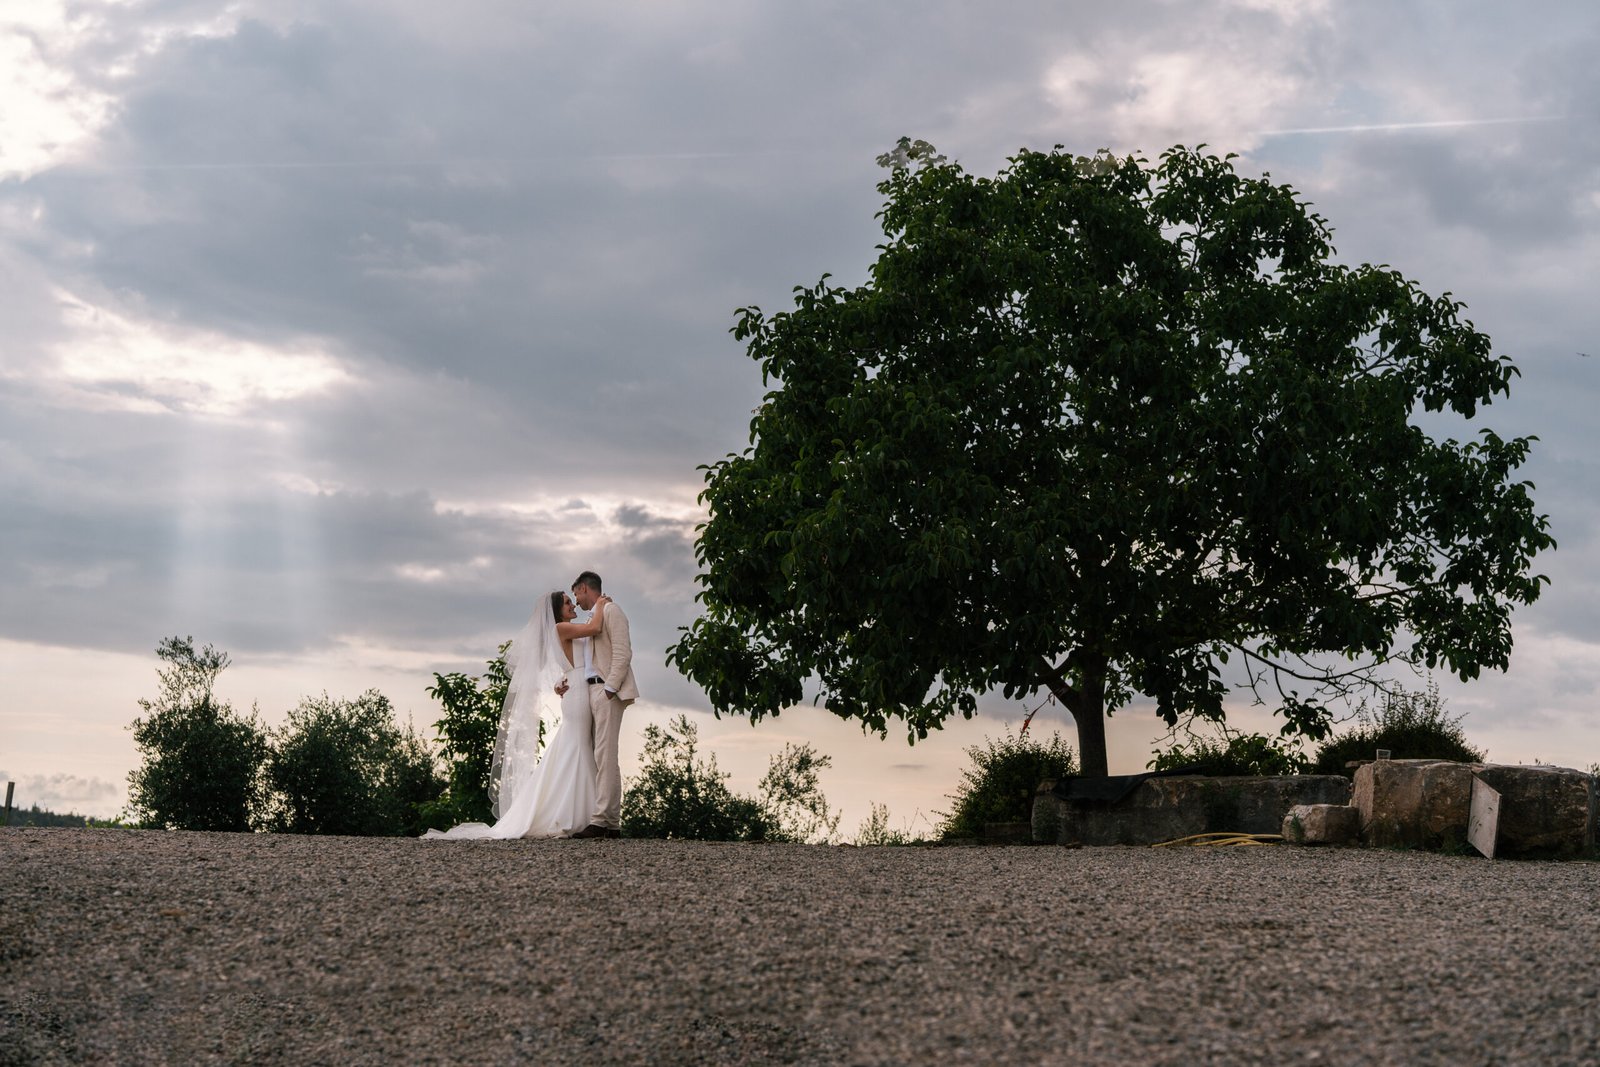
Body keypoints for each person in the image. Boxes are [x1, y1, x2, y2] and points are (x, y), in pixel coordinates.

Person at [422, 588, 612, 840]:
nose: (571, 605)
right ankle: (585, 816)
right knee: (579, 747)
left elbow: (576, 658)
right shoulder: (560, 629)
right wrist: (600, 604)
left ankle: (584, 813)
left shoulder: (564, 630)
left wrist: (559, 682)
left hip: (577, 688)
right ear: (557, 611)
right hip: (577, 694)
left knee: (576, 747)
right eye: (567, 603)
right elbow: (595, 628)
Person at [568, 570, 638, 839]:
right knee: (605, 757)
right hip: (590, 690)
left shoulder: (612, 611)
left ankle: (599, 821)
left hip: (605, 690)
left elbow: (623, 651)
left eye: (576, 594)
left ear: (585, 588)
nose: (576, 600)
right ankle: (611, 823)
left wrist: (610, 688)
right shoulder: (594, 616)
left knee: (605, 755)